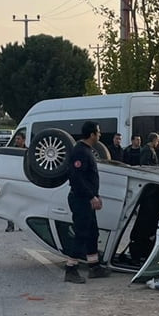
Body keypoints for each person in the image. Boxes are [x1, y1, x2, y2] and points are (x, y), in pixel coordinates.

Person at [63, 120, 110, 284]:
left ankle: (94, 266)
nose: (100, 134)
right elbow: (76, 178)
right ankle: (71, 269)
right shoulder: (80, 152)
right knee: (81, 233)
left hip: (87, 199)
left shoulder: (87, 150)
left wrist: (95, 195)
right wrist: (91, 196)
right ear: (91, 134)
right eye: (98, 132)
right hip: (81, 199)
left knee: (92, 233)